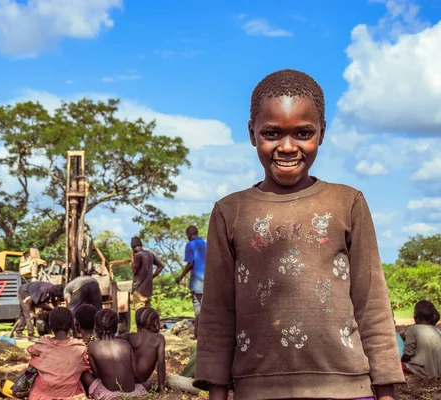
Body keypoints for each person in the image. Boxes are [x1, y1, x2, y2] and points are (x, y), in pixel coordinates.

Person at [194, 69, 404, 400]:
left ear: (321, 133)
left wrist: (387, 389)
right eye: (272, 134)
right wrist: (217, 391)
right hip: (258, 389)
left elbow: (371, 302)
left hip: (346, 387)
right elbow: (218, 313)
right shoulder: (229, 211)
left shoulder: (347, 202)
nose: (288, 147)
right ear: (252, 133)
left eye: (303, 132)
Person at [26, 307, 92, 400]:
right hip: (72, 396)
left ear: (50, 325)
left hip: (42, 396)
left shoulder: (41, 345)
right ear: (71, 324)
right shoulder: (80, 348)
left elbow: (30, 369)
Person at [87, 308, 148, 399]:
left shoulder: (92, 346)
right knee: (148, 384)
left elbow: (97, 375)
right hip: (133, 394)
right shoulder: (126, 344)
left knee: (85, 375)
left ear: (96, 328)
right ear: (115, 327)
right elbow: (135, 374)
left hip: (108, 396)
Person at [117, 307, 166, 392]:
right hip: (140, 383)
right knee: (150, 385)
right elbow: (161, 364)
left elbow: (109, 340)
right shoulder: (159, 338)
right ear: (155, 322)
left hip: (125, 381)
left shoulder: (128, 336)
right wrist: (161, 387)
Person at [176, 225, 206, 338]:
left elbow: (190, 263)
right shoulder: (206, 244)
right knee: (206, 308)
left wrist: (180, 277)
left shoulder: (190, 245)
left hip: (197, 282)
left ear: (189, 234)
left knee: (198, 308)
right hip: (208, 281)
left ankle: (198, 334)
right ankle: (202, 333)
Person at [401, 300, 441, 379]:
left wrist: (401, 360)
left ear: (415, 315)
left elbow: (407, 355)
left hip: (422, 371)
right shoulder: (436, 331)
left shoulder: (412, 329)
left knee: (396, 366)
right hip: (438, 371)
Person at [130, 237, 164, 311]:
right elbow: (161, 266)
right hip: (148, 291)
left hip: (139, 290)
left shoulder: (138, 255)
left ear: (134, 248)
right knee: (147, 315)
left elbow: (134, 271)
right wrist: (152, 276)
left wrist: (132, 261)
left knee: (140, 314)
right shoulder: (150, 254)